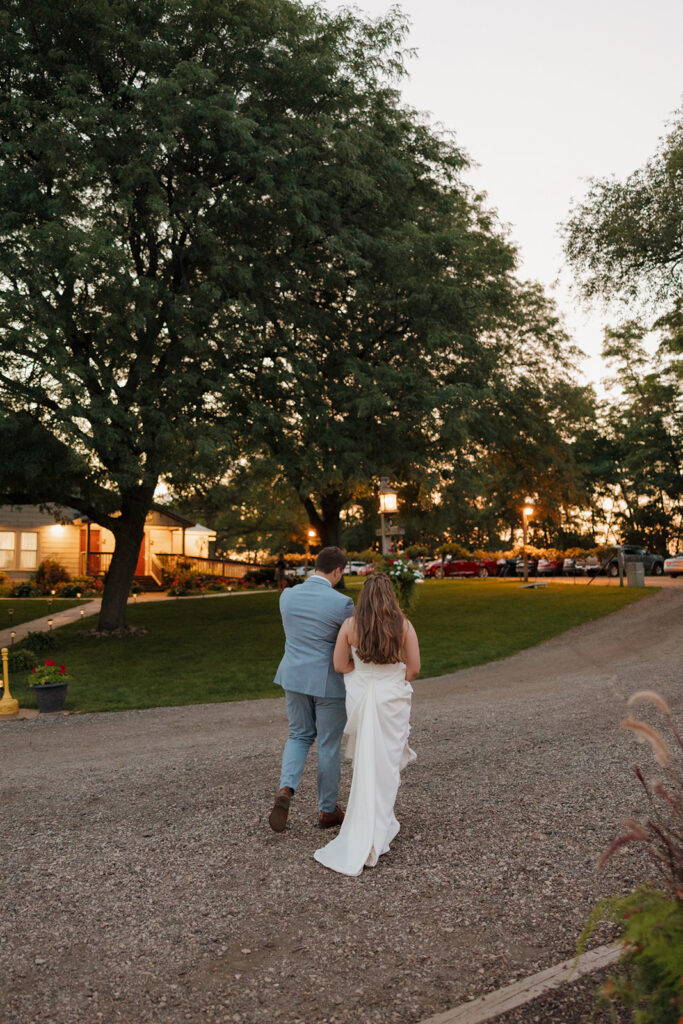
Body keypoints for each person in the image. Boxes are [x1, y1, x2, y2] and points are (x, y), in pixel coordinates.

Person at [314, 573, 419, 876]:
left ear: (364, 598)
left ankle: (370, 823)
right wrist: (388, 680)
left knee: (365, 761)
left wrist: (360, 675)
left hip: (361, 700)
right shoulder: (403, 626)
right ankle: (379, 823)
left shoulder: (350, 626)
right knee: (385, 764)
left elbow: (338, 665)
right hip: (390, 702)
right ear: (390, 596)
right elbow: (413, 670)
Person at [269, 546, 354, 833]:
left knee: (299, 734)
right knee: (328, 745)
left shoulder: (287, 595)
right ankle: (327, 810)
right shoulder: (342, 603)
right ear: (337, 570)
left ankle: (286, 788)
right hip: (328, 682)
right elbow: (349, 643)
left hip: (293, 676)